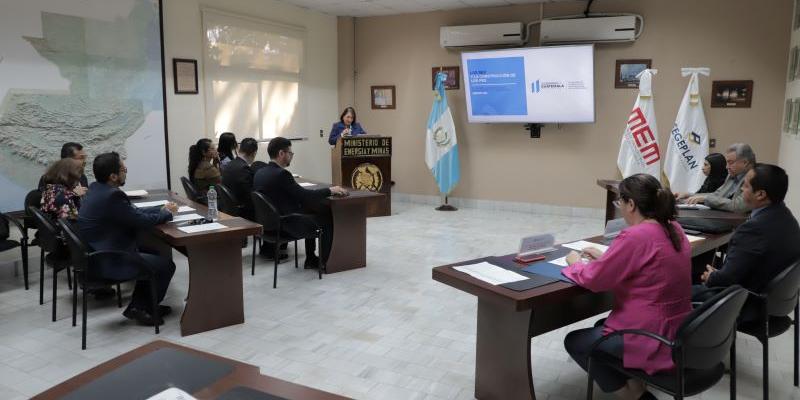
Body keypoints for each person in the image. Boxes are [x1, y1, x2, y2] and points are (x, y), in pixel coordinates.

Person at [562, 174, 691, 400]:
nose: (620, 208)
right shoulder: (674, 228)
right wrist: (607, 257)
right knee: (601, 326)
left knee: (576, 342)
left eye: (620, 203)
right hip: (677, 327)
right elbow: (649, 266)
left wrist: (574, 264)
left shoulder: (636, 235)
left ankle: (635, 397)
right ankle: (636, 387)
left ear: (631, 204)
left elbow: (595, 280)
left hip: (650, 334)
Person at [78, 152, 178, 326]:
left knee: (154, 252)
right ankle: (144, 308)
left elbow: (132, 213)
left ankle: (140, 306)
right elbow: (140, 220)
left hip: (96, 255)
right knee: (166, 265)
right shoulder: (112, 196)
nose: (126, 172)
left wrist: (161, 208)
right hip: (110, 260)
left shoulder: (97, 189)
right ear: (113, 176)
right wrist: (167, 214)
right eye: (124, 169)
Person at [697, 164, 800, 321]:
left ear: (760, 194)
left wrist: (712, 277)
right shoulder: (788, 218)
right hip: (775, 302)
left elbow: (727, 279)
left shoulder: (753, 229)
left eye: (745, 186)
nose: (741, 190)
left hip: (748, 305)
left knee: (678, 292)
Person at [253, 137, 348, 266]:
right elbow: (306, 196)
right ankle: (325, 263)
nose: (291, 156)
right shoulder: (282, 174)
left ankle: (311, 259)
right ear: (281, 153)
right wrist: (331, 190)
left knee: (311, 210)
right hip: (287, 224)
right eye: (290, 153)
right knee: (327, 218)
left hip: (269, 225)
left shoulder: (260, 172)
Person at [678, 143, 755, 213]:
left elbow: (738, 206)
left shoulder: (755, 178)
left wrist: (705, 199)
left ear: (745, 163)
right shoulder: (732, 175)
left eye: (730, 162)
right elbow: (717, 194)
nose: (727, 167)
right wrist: (690, 195)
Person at [221, 137, 258, 220]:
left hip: (229, 209)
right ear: (254, 153)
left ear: (239, 150)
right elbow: (250, 196)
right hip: (243, 212)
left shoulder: (230, 164)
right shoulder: (244, 168)